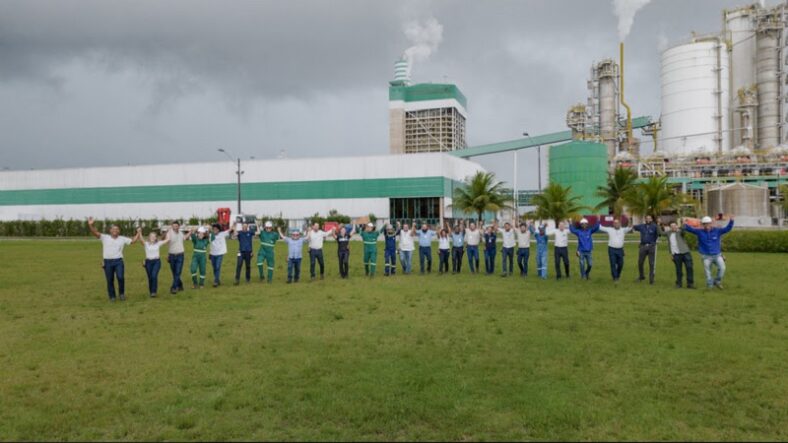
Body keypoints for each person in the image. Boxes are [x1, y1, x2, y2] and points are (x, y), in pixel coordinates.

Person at [88, 217, 140, 302]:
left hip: (118, 261)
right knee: (110, 279)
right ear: (110, 231)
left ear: (119, 231)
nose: (115, 230)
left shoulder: (122, 238)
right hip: (107, 262)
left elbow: (133, 241)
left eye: (117, 229)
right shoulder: (105, 237)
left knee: (120, 277)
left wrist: (138, 233)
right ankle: (112, 296)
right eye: (113, 229)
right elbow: (95, 232)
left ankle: (121, 294)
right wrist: (90, 225)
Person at [683, 216, 735, 289]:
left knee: (722, 268)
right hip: (705, 256)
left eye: (708, 224)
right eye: (705, 224)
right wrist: (685, 224)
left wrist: (731, 221)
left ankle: (717, 281)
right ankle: (710, 286)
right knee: (708, 272)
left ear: (711, 223)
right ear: (703, 225)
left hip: (717, 255)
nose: (707, 225)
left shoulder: (717, 231)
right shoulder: (699, 232)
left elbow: (727, 229)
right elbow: (690, 229)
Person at [664, 221, 695, 289]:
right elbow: (660, 233)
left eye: (674, 226)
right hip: (676, 254)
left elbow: (683, 231)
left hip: (685, 252)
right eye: (672, 226)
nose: (673, 227)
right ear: (670, 227)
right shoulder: (668, 233)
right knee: (678, 270)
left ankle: (690, 284)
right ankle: (679, 283)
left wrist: (683, 224)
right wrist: (657, 224)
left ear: (677, 226)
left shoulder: (680, 232)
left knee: (689, 267)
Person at [165, 221, 192, 294]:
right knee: (174, 273)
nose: (175, 227)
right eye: (173, 226)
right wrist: (168, 254)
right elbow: (167, 241)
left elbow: (185, 238)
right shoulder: (169, 233)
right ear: (172, 226)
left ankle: (174, 287)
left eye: (176, 226)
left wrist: (190, 232)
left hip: (180, 255)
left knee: (178, 272)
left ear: (178, 226)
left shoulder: (180, 233)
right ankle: (180, 285)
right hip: (172, 255)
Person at [141, 229, 169, 297]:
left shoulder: (158, 243)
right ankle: (151, 291)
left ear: (156, 237)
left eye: (154, 236)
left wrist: (169, 231)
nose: (153, 238)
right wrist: (139, 232)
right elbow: (141, 239)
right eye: (151, 236)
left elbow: (167, 240)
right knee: (150, 277)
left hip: (156, 262)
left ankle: (154, 292)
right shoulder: (146, 244)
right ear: (149, 237)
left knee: (154, 276)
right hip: (148, 262)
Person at [633, 215, 660, 284]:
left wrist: (659, 224)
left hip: (651, 246)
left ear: (651, 219)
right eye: (646, 218)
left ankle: (651, 279)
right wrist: (629, 222)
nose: (648, 219)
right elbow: (634, 227)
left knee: (651, 263)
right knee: (640, 262)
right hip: (643, 246)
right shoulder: (642, 226)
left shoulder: (655, 226)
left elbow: (659, 233)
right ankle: (641, 276)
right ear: (645, 219)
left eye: (649, 218)